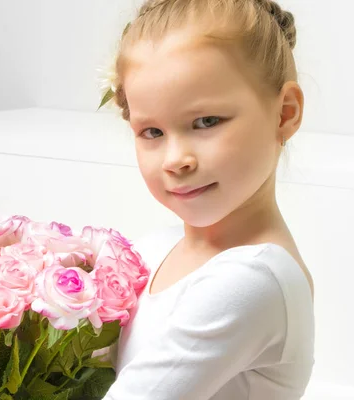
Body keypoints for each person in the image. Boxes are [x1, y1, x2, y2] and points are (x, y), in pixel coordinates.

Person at [101, 0, 316, 399]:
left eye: (206, 122)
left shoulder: (253, 281)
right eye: (152, 132)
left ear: (284, 113)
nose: (175, 159)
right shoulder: (154, 249)